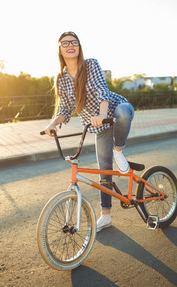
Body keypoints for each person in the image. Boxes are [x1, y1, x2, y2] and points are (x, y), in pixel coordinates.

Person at [44, 31, 134, 232]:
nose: (70, 45)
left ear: (79, 47)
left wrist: (102, 114)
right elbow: (65, 109)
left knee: (122, 113)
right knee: (104, 171)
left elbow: (102, 90)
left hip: (114, 109)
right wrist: (52, 124)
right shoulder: (61, 78)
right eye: (65, 43)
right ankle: (106, 216)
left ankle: (118, 151)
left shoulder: (91, 64)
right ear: (59, 49)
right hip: (98, 126)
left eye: (74, 42)